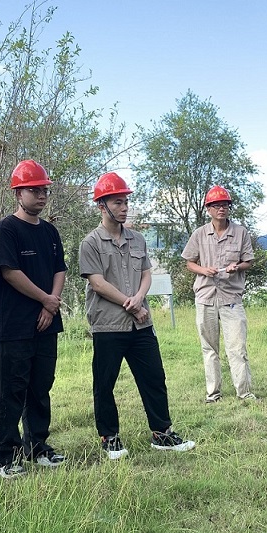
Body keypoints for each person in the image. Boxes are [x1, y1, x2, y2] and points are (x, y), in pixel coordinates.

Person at [79, 172, 195, 459]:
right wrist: (129, 303)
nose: (124, 208)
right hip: (108, 325)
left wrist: (139, 298)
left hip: (141, 323)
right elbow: (97, 283)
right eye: (117, 202)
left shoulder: (138, 239)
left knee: (154, 378)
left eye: (126, 202)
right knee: (105, 383)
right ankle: (110, 438)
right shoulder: (91, 242)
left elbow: (146, 274)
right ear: (101, 206)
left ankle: (162, 433)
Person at [0, 160, 68, 480]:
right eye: (34, 190)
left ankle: (37, 446)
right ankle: (4, 456)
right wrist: (44, 299)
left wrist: (51, 305)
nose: (41, 195)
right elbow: (10, 272)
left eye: (44, 190)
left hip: (47, 324)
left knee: (40, 388)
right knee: (10, 392)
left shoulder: (49, 231)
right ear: (17, 194)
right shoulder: (5, 230)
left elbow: (59, 269)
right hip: (15, 328)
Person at [181, 185, 256, 403]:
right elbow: (189, 262)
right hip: (205, 297)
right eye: (216, 205)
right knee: (209, 348)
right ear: (208, 209)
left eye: (224, 205)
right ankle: (213, 394)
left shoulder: (240, 232)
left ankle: (244, 393)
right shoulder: (199, 234)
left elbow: (248, 261)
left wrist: (237, 267)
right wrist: (203, 270)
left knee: (237, 347)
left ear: (229, 208)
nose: (221, 209)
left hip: (231, 298)